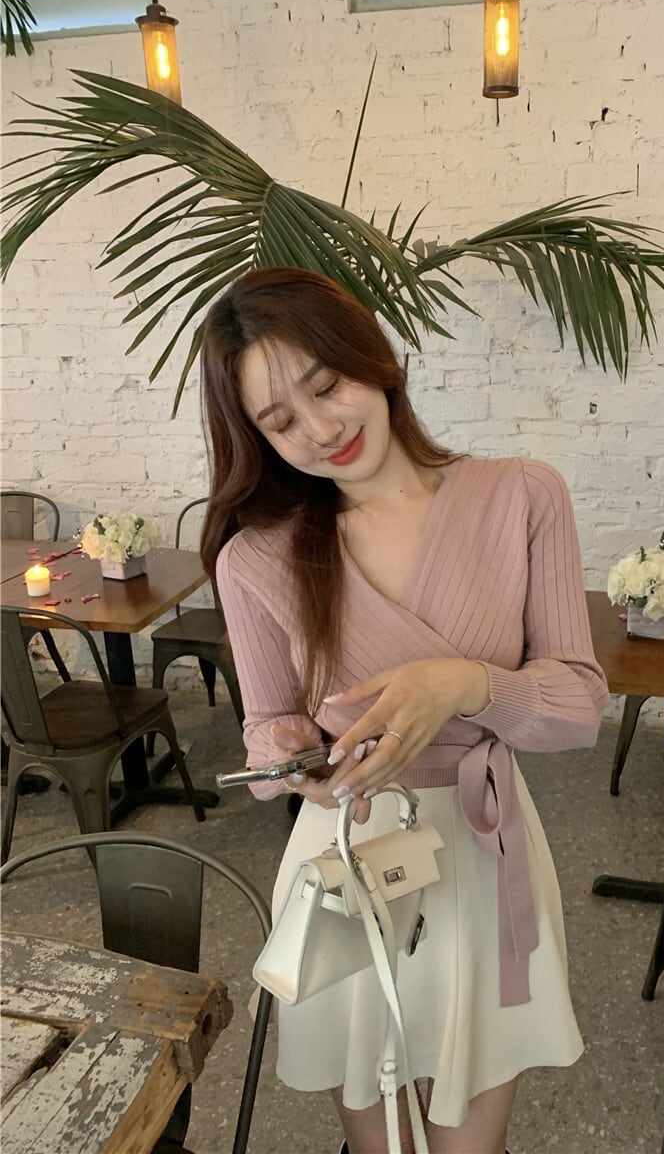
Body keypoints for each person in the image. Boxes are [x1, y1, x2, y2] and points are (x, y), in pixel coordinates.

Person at [200, 266, 610, 1154]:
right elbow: (268, 726)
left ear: (374, 358)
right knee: (378, 1137)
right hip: (351, 861)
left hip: (482, 848)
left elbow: (580, 706)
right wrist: (293, 759)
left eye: (326, 386)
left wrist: (465, 685)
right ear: (257, 439)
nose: (320, 429)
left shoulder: (521, 494)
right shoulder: (257, 558)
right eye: (280, 421)